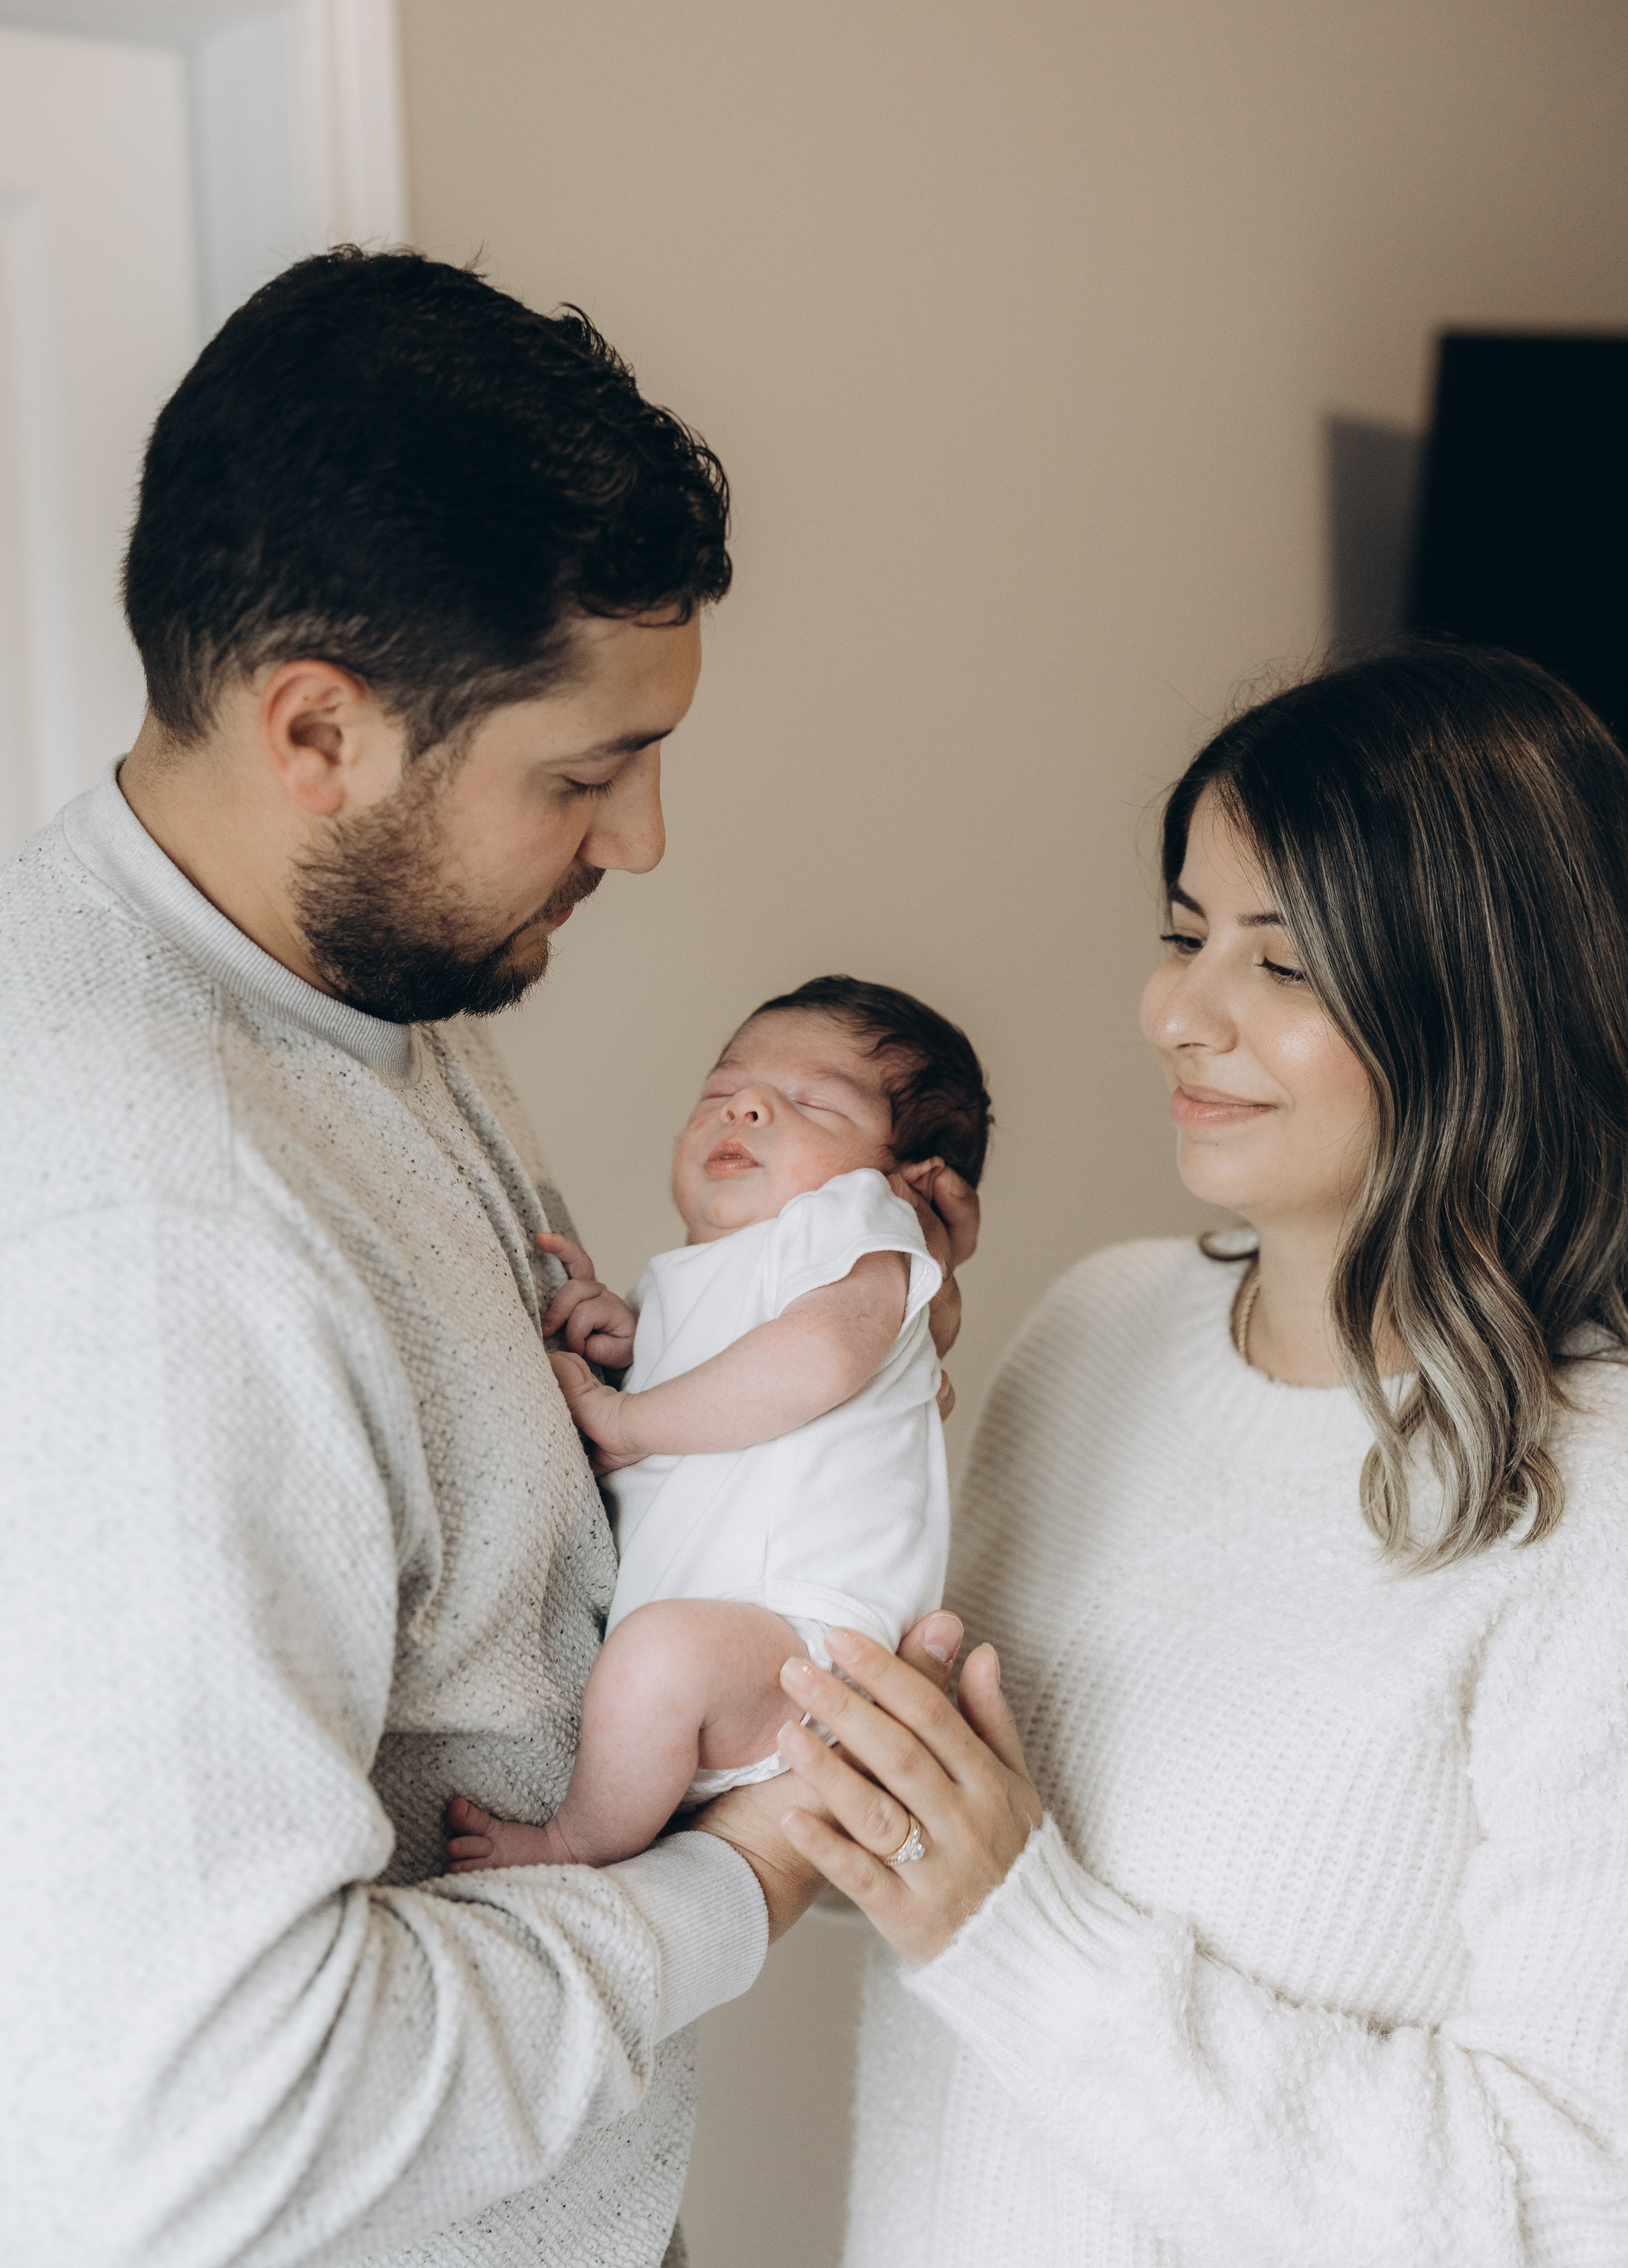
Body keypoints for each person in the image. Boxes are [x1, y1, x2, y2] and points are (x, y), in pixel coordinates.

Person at [0, 248, 975, 2268]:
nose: (644, 843)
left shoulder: (362, 1002)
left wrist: (820, 1335)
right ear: (318, 731)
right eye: (585, 773)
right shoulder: (157, 1221)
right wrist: (752, 1877)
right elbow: (204, 2130)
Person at [766, 644, 1628, 2267]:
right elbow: (887, 1853)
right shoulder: (1095, 1332)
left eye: (1280, 962)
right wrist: (789, 1422)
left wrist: (1020, 1930)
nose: (1176, 1012)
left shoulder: (1594, 1510)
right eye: (1182, 934)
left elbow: (1574, 2203)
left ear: (1476, 991)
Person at [444, 975, 990, 1869]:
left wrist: (625, 1417)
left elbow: (810, 1360)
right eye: (720, 1092)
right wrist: (629, 1336)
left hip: (804, 1643)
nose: (746, 1105)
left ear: (904, 1181)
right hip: (730, 1650)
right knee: (654, 1660)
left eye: (811, 1101)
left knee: (658, 1658)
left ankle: (573, 1842)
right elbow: (726, 1382)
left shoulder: (857, 1224)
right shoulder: (691, 1279)